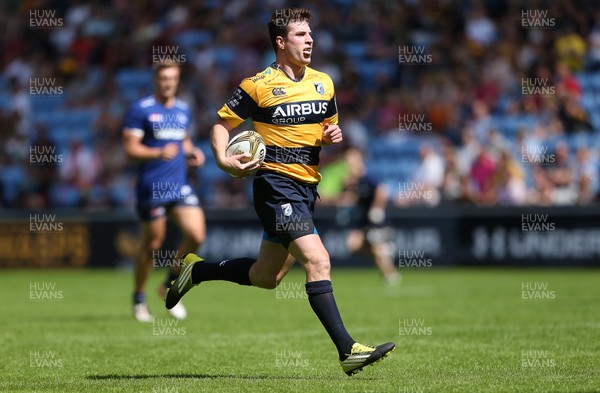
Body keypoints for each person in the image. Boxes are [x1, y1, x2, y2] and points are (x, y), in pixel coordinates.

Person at [166, 8, 395, 376]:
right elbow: (221, 126)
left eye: (310, 34)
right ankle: (348, 350)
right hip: (274, 186)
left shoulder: (325, 83)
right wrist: (223, 160)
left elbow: (323, 131)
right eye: (301, 35)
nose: (310, 41)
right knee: (318, 261)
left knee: (266, 277)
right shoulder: (257, 84)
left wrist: (330, 136)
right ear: (280, 42)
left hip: (307, 188)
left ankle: (196, 271)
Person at [122, 61, 206, 322]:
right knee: (153, 243)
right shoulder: (141, 109)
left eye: (172, 78)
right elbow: (130, 149)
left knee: (196, 234)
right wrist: (158, 152)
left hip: (179, 185)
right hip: (152, 186)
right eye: (163, 78)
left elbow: (184, 139)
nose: (168, 83)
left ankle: (169, 285)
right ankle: (138, 297)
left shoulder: (183, 110)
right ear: (155, 80)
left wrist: (193, 152)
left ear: (177, 80)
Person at [338, 148, 399, 285]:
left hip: (376, 220)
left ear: (359, 161)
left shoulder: (369, 176)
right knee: (353, 245)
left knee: (376, 250)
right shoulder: (354, 180)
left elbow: (382, 191)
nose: (348, 164)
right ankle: (385, 252)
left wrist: (377, 209)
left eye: (350, 161)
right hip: (364, 220)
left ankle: (391, 275)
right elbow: (353, 198)